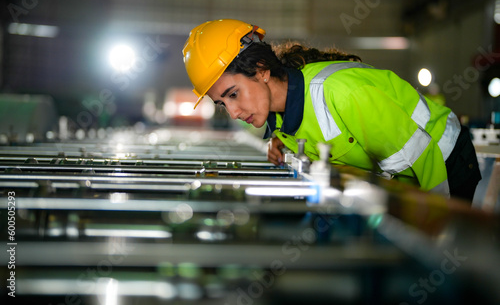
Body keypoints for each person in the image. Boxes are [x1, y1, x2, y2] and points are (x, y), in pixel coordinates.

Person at [182, 19, 481, 202]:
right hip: (399, 178)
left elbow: (422, 157)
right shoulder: (282, 120)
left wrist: (437, 231)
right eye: (223, 103)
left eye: (233, 94)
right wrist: (280, 142)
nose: (233, 112)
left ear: (261, 70)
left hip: (445, 159)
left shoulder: (340, 93)